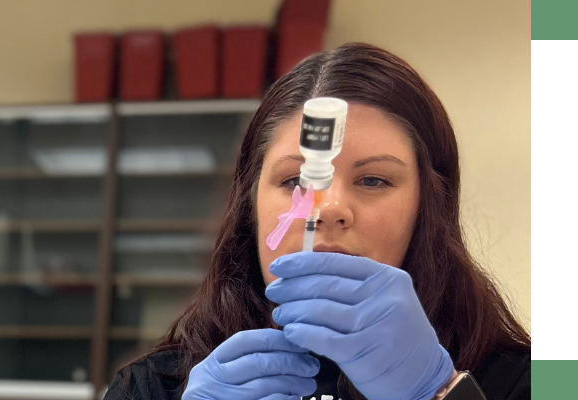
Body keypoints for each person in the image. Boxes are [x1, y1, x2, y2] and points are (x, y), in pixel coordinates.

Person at [104, 43, 531, 400]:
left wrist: (438, 393)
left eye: (374, 179)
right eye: (295, 180)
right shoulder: (153, 387)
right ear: (249, 206)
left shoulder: (523, 380)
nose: (328, 209)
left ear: (428, 208)